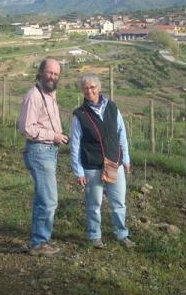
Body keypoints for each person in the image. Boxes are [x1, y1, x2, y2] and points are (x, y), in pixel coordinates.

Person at [70, 73, 135, 249]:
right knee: (94, 204)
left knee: (118, 202)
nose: (89, 90)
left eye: (93, 87)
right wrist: (78, 170)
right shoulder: (80, 114)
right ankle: (94, 236)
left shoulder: (112, 108)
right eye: (86, 88)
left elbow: (122, 133)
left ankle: (121, 234)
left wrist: (126, 158)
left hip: (114, 162)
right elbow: (75, 144)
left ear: (99, 88)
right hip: (92, 165)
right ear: (82, 91)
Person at [19, 58, 69, 257]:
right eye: (49, 73)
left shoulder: (49, 95)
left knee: (43, 198)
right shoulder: (34, 96)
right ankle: (39, 243)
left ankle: (38, 239)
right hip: (40, 151)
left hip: (48, 151)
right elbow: (26, 128)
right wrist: (54, 135)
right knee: (49, 200)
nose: (53, 77)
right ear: (40, 72)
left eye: (56, 74)